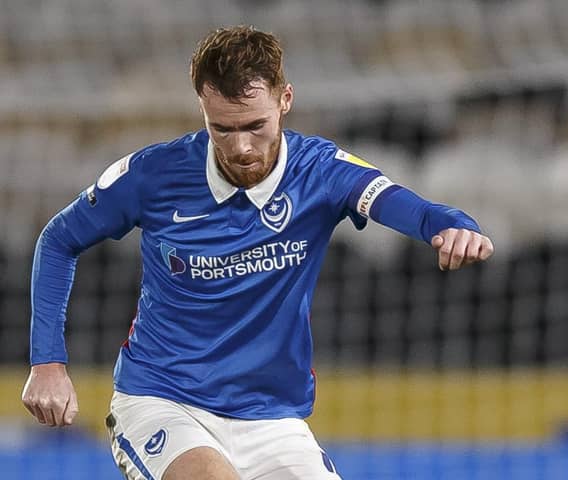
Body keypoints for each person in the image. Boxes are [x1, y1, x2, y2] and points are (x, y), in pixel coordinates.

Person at [21, 25, 494, 480]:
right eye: (222, 129)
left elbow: (412, 207)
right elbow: (59, 239)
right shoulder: (153, 175)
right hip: (164, 400)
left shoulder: (320, 171)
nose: (242, 147)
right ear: (203, 107)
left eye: (255, 125)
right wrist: (47, 363)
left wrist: (458, 227)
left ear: (285, 100)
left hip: (272, 419)